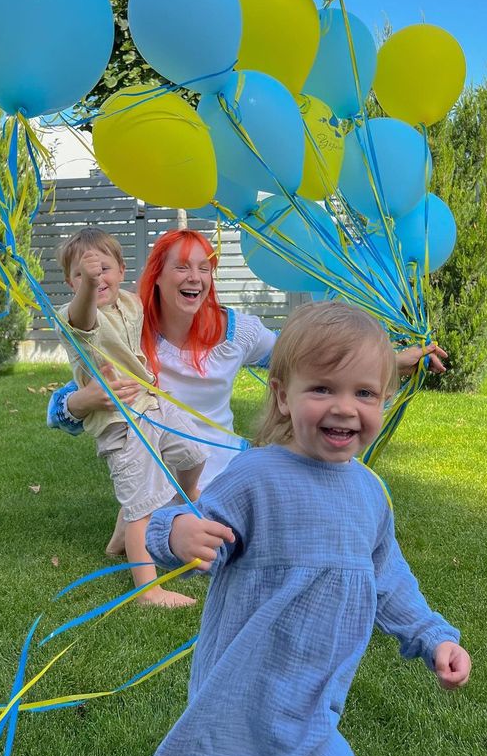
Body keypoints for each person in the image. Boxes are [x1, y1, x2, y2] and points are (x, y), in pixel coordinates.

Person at [145, 301, 471, 756]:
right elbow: (192, 529)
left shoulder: (369, 492)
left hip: (312, 691)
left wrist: (433, 637)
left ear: (385, 399)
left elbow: (388, 579)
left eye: (365, 393)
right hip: (253, 684)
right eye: (322, 388)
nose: (344, 407)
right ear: (283, 397)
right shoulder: (256, 476)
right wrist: (178, 533)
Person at [48, 229, 448, 554]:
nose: (194, 277)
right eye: (181, 267)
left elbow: (306, 358)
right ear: (157, 276)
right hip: (163, 466)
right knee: (215, 545)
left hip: (225, 464)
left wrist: (394, 360)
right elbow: (62, 408)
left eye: (204, 268)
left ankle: (146, 523)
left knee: (290, 524)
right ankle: (146, 522)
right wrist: (81, 401)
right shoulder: (129, 331)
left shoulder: (234, 330)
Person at [54, 227, 208, 607]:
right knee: (142, 508)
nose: (96, 278)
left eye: (104, 269)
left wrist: (187, 274)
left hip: (151, 402)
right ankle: (147, 591)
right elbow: (84, 315)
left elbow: (164, 293)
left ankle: (180, 499)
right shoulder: (73, 317)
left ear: (122, 270)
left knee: (194, 453)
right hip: (120, 422)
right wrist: (90, 285)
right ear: (71, 283)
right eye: (82, 274)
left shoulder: (130, 302)